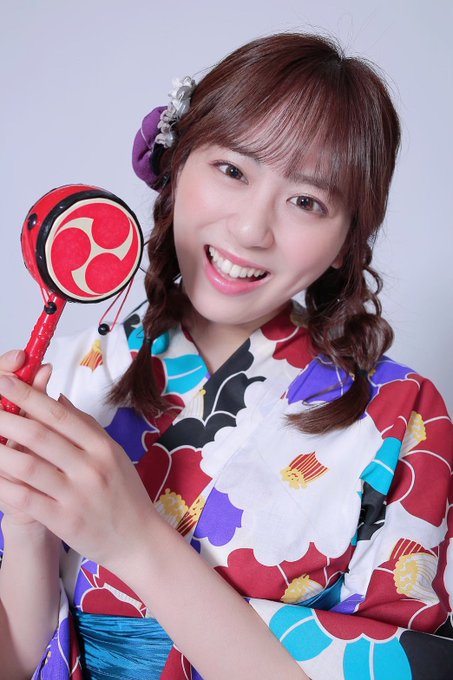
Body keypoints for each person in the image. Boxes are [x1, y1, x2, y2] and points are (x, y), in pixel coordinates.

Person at [0, 31, 452, 680]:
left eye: (306, 202)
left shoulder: (401, 416)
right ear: (176, 164)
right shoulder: (68, 377)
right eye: (232, 171)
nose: (250, 229)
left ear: (348, 240)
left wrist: (135, 542)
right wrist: (25, 524)